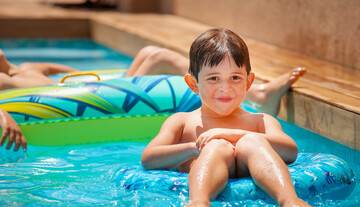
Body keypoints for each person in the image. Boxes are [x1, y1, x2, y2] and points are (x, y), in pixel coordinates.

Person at [141, 28, 319, 207]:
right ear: (193, 84)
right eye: (213, 78)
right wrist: (194, 148)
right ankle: (199, 202)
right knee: (216, 146)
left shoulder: (260, 120)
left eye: (235, 77)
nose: (225, 88)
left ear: (249, 82)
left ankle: (289, 200)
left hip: (250, 192)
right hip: (207, 184)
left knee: (253, 141)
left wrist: (235, 135)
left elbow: (291, 151)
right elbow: (149, 158)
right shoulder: (182, 121)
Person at [1, 46, 305, 116]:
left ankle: (260, 92)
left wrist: (84, 82)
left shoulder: (27, 65)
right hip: (80, 100)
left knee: (150, 51)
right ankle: (260, 94)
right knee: (157, 56)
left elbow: (57, 66)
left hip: (88, 87)